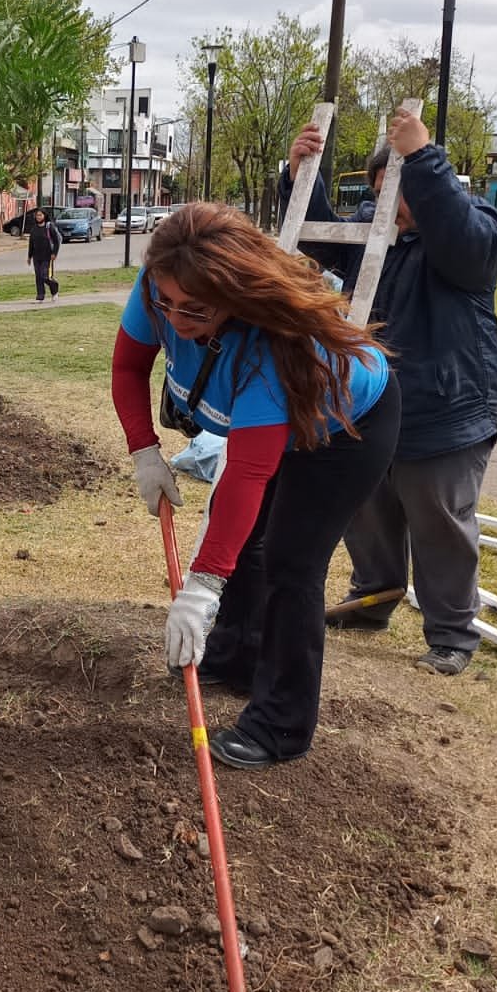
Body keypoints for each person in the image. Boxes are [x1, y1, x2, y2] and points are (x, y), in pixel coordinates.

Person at [112, 203, 400, 770]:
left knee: (292, 562)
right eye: (166, 303)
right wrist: (144, 451)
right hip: (269, 430)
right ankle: (234, 658)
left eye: (193, 310)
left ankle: (281, 725)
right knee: (242, 541)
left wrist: (199, 591)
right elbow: (127, 368)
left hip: (346, 427)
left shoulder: (271, 348)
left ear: (234, 296)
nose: (174, 318)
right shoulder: (159, 286)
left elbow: (248, 472)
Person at [281, 109, 497, 676]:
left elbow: (466, 247)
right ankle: (375, 598)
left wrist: (425, 161)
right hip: (375, 402)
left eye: (398, 196)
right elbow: (325, 242)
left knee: (439, 520)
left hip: (445, 407)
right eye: (379, 195)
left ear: (428, 188)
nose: (388, 211)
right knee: (367, 506)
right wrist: (300, 177)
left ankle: (452, 633)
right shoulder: (379, 230)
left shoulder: (472, 228)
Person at [26, 208, 61, 303]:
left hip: (47, 256)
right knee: (38, 276)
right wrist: (29, 256)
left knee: (44, 276)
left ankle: (55, 288)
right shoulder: (34, 229)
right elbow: (31, 244)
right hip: (36, 257)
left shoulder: (49, 227)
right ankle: (40, 296)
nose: (38, 217)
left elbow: (56, 242)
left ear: (44, 216)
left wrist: (54, 253)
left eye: (40, 215)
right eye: (37, 215)